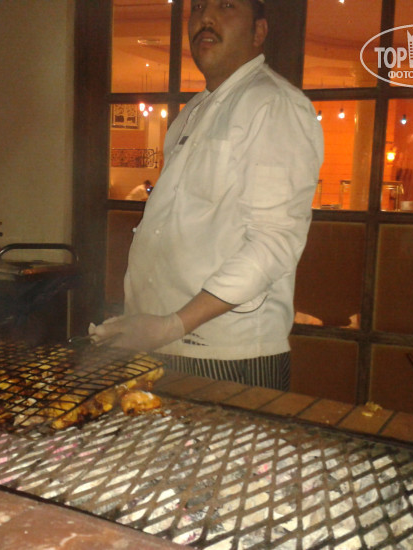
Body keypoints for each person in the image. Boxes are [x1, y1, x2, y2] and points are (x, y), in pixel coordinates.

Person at [92, 0, 324, 390]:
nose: (206, 18)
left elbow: (274, 241)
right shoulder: (195, 110)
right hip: (163, 342)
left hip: (227, 354)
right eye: (198, 6)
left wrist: (172, 324)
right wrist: (150, 321)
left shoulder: (274, 104)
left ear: (259, 31)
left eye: (226, 5)